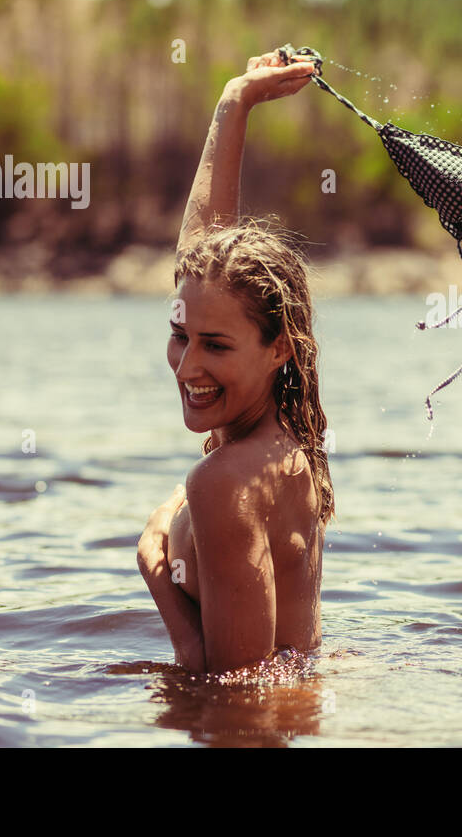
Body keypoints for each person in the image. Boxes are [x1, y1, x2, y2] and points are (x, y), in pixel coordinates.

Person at [136, 49, 333, 674]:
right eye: (180, 335)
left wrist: (155, 569)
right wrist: (234, 102)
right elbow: (201, 268)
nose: (188, 364)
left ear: (280, 348)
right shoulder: (288, 448)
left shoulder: (225, 483)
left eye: (215, 346)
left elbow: (237, 701)